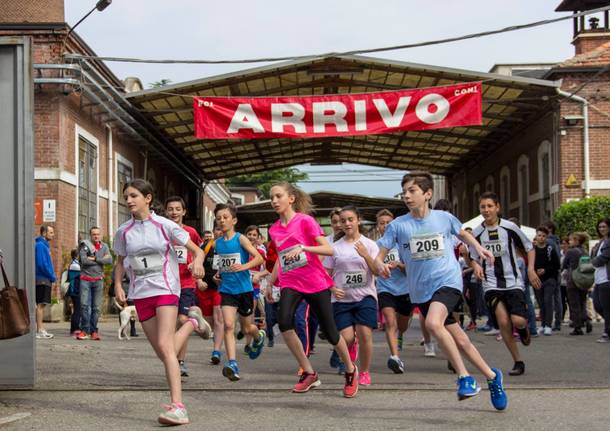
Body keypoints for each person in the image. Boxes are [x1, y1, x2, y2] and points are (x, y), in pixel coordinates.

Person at [376, 172, 507, 410]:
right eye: (404, 191)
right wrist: (379, 265)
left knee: (433, 324)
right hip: (421, 290)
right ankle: (492, 376)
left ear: (427, 194)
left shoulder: (443, 218)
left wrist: (478, 248)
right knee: (462, 340)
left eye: (412, 190)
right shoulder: (398, 226)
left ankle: (464, 377)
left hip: (447, 281)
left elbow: (462, 233)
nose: (407, 195)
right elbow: (379, 256)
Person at [113, 178, 209, 426]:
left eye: (134, 195)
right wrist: (116, 285)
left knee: (167, 348)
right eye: (126, 197)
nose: (129, 200)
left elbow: (197, 250)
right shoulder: (123, 231)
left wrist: (198, 262)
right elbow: (121, 261)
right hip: (140, 292)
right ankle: (192, 324)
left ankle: (178, 407)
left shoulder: (165, 225)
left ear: (147, 198)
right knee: (164, 351)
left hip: (166, 289)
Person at [267, 182, 359, 398]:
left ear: (291, 199)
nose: (274, 201)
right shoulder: (274, 228)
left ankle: (350, 370)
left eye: (278, 196)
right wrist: (270, 282)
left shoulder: (305, 221)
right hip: (291, 281)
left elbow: (329, 249)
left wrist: (304, 247)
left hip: (314, 281)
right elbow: (281, 259)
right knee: (284, 322)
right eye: (272, 197)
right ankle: (309, 372)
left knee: (330, 331)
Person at [469, 192, 540, 377]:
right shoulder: (476, 233)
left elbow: (529, 247)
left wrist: (531, 269)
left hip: (513, 281)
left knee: (518, 321)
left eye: (489, 206)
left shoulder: (510, 228)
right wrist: (475, 265)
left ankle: (523, 330)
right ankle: (518, 361)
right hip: (491, 283)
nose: (486, 210)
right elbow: (471, 256)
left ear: (497, 207)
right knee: (503, 321)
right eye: (483, 207)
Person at [324, 206, 379, 386]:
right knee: (346, 338)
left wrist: (365, 256)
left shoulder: (369, 245)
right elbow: (325, 273)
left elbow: (376, 271)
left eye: (350, 219)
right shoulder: (334, 247)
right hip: (342, 299)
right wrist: (332, 287)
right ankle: (350, 365)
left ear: (358, 220)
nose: (346, 223)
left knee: (364, 333)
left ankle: (364, 372)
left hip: (365, 297)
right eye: (343, 221)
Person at [213, 203, 266, 382]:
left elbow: (259, 258)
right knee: (228, 325)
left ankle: (258, 336)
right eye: (219, 218)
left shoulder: (240, 239)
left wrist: (243, 266)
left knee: (247, 328)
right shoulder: (217, 243)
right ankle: (232, 363)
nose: (222, 221)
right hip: (227, 290)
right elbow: (222, 265)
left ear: (233, 220)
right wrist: (218, 275)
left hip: (244, 290)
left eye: (225, 217)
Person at [165, 196, 210, 377]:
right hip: (167, 283)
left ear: (183, 212)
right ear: (166, 212)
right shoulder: (163, 231)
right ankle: (174, 359)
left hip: (186, 283)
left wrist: (196, 265)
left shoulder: (190, 232)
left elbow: (199, 252)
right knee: (171, 325)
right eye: (171, 209)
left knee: (182, 320)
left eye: (177, 209)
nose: (174, 212)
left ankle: (180, 362)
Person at [373, 209, 412, 373]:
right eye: (382, 223)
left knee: (401, 325)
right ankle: (395, 357)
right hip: (385, 288)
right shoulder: (376, 247)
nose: (385, 226)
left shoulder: (403, 244)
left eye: (388, 223)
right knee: (390, 322)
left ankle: (400, 335)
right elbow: (373, 268)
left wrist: (400, 265)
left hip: (405, 289)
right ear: (378, 227)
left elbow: (411, 270)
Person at [76, 226, 113, 341]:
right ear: (90, 235)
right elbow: (84, 260)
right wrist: (101, 259)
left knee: (96, 308)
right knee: (84, 306)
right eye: (94, 234)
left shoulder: (105, 246)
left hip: (98, 280)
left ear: (100, 235)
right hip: (85, 279)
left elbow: (110, 260)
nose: (96, 236)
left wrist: (95, 258)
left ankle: (93, 331)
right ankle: (84, 330)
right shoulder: (84, 245)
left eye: (98, 234)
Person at [197, 224, 225, 364]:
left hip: (221, 288)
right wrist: (199, 280)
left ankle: (216, 351)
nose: (220, 232)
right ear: (214, 232)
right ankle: (217, 339)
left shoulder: (230, 246)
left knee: (218, 318)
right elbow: (197, 263)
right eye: (217, 229)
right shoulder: (207, 246)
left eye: (222, 229)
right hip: (205, 288)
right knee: (209, 322)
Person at [533, 226, 561, 336]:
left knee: (548, 301)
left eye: (544, 236)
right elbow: (530, 264)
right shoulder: (532, 250)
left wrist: (545, 270)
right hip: (537, 280)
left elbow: (557, 265)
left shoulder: (550, 249)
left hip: (550, 279)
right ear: (536, 236)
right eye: (539, 235)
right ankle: (543, 324)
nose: (541, 238)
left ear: (547, 237)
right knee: (541, 303)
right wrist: (535, 271)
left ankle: (548, 325)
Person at [562, 232, 591, 335]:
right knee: (582, 302)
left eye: (570, 240)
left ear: (576, 241)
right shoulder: (585, 251)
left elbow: (564, 265)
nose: (569, 242)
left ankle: (577, 327)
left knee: (574, 304)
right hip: (584, 279)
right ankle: (587, 320)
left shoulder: (571, 252)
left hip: (573, 279)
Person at [35, 225, 56, 339]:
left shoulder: (44, 246)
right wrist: (52, 276)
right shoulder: (40, 245)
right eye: (51, 232)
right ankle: (39, 330)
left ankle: (41, 328)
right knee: (40, 304)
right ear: (44, 233)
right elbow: (41, 264)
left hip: (44, 278)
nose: (53, 235)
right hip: (42, 278)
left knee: (41, 304)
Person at [591, 218, 610, 343]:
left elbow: (602, 258)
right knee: (597, 306)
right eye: (600, 227)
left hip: (607, 279)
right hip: (598, 279)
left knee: (606, 307)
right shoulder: (601, 242)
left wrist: (593, 262)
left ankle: (607, 333)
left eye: (604, 226)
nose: (602, 229)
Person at [66, 249, 81, 337]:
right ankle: (75, 328)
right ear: (77, 256)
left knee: (77, 309)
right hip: (75, 289)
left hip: (75, 289)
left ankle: (74, 328)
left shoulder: (75, 263)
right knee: (77, 309)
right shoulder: (75, 265)